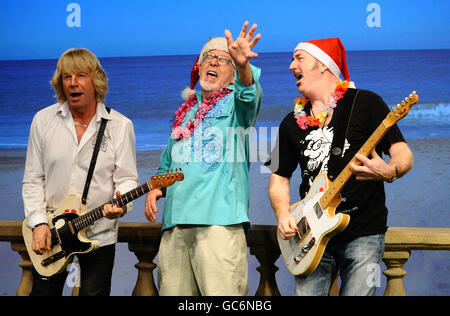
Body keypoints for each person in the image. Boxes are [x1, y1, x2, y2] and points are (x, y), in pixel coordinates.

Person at [265, 38, 413, 296]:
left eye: (298, 58)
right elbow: (279, 178)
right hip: (309, 235)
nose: (291, 66)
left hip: (363, 231)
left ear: (323, 65)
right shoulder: (290, 122)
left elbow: (402, 151)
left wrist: (391, 171)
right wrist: (282, 214)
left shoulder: (365, 103)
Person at [144, 21, 263, 296]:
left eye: (224, 60)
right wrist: (156, 188)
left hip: (218, 226)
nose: (214, 62)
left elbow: (250, 93)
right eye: (208, 57)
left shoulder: (237, 108)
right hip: (175, 227)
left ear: (233, 75)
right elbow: (168, 161)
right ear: (198, 66)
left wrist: (243, 65)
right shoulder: (185, 111)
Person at [22, 48, 139, 296]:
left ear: (95, 81)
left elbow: (127, 179)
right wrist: (39, 224)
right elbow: (33, 179)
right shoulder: (43, 121)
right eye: (67, 77)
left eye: (81, 76)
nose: (73, 83)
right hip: (51, 235)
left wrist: (121, 204)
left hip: (99, 234)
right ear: (60, 84)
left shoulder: (120, 125)